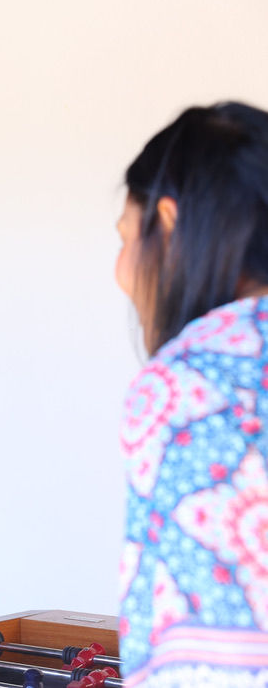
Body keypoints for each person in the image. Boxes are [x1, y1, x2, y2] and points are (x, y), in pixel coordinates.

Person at [115, 102, 268, 686]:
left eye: (127, 236)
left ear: (170, 224)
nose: (121, 266)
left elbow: (206, 656)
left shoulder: (189, 380)